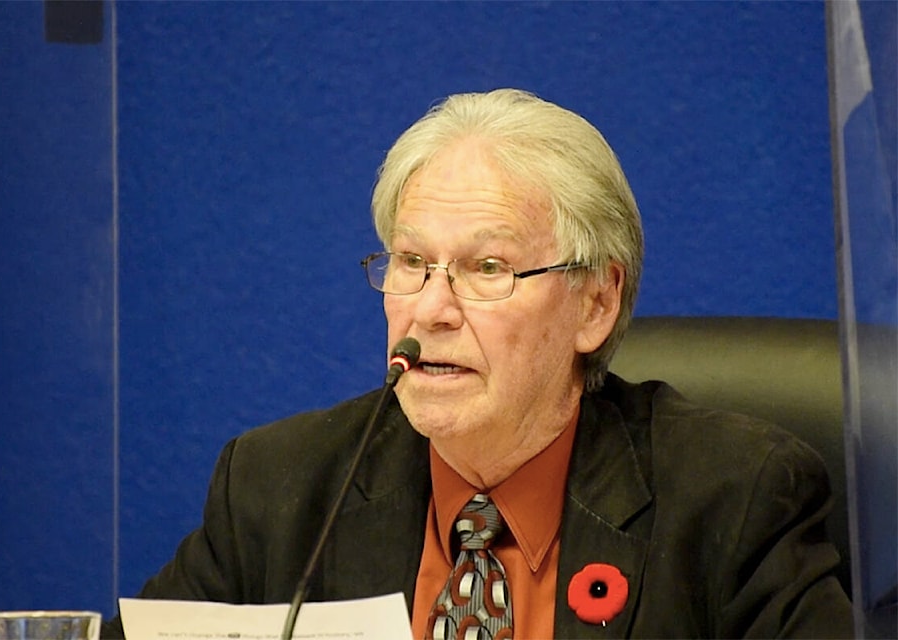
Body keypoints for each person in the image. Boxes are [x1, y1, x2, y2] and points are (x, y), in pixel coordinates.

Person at [101, 89, 853, 638]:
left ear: (594, 302)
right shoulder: (280, 492)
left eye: (487, 267)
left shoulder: (734, 500)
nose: (431, 308)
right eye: (410, 262)